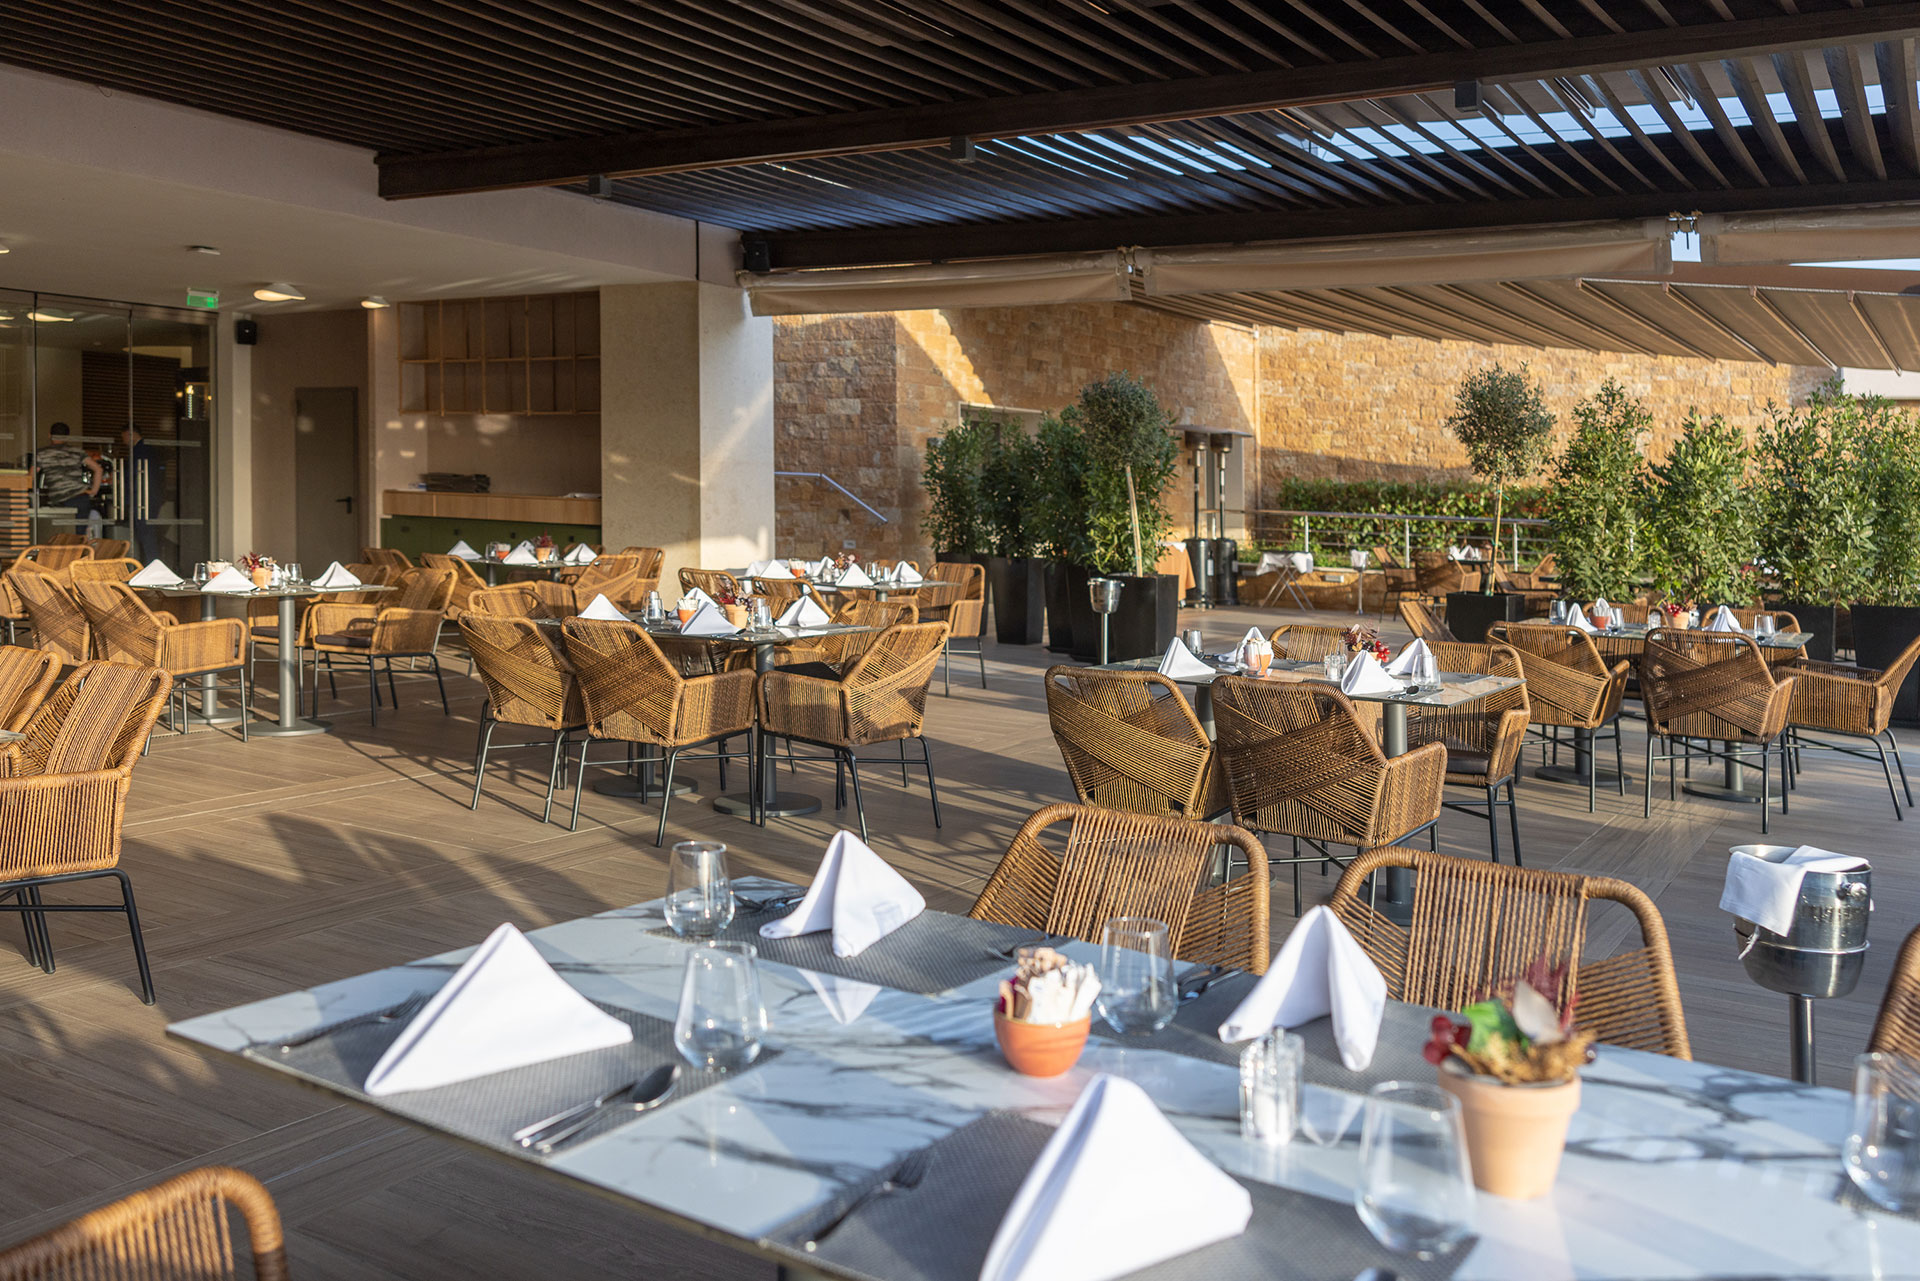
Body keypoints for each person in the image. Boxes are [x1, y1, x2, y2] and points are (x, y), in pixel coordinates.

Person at [30, 422, 101, 539]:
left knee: (60, 538)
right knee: (78, 538)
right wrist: (93, 491)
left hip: (59, 500)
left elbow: (31, 477)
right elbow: (98, 469)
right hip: (80, 498)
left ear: (49, 435)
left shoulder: (42, 453)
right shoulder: (77, 451)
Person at [123, 425, 160, 562]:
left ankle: (151, 565)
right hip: (148, 498)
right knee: (147, 535)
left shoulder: (140, 451)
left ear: (131, 434)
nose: (124, 441)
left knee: (146, 535)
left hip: (142, 499)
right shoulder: (148, 450)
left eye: (124, 437)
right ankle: (150, 565)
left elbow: (134, 475)